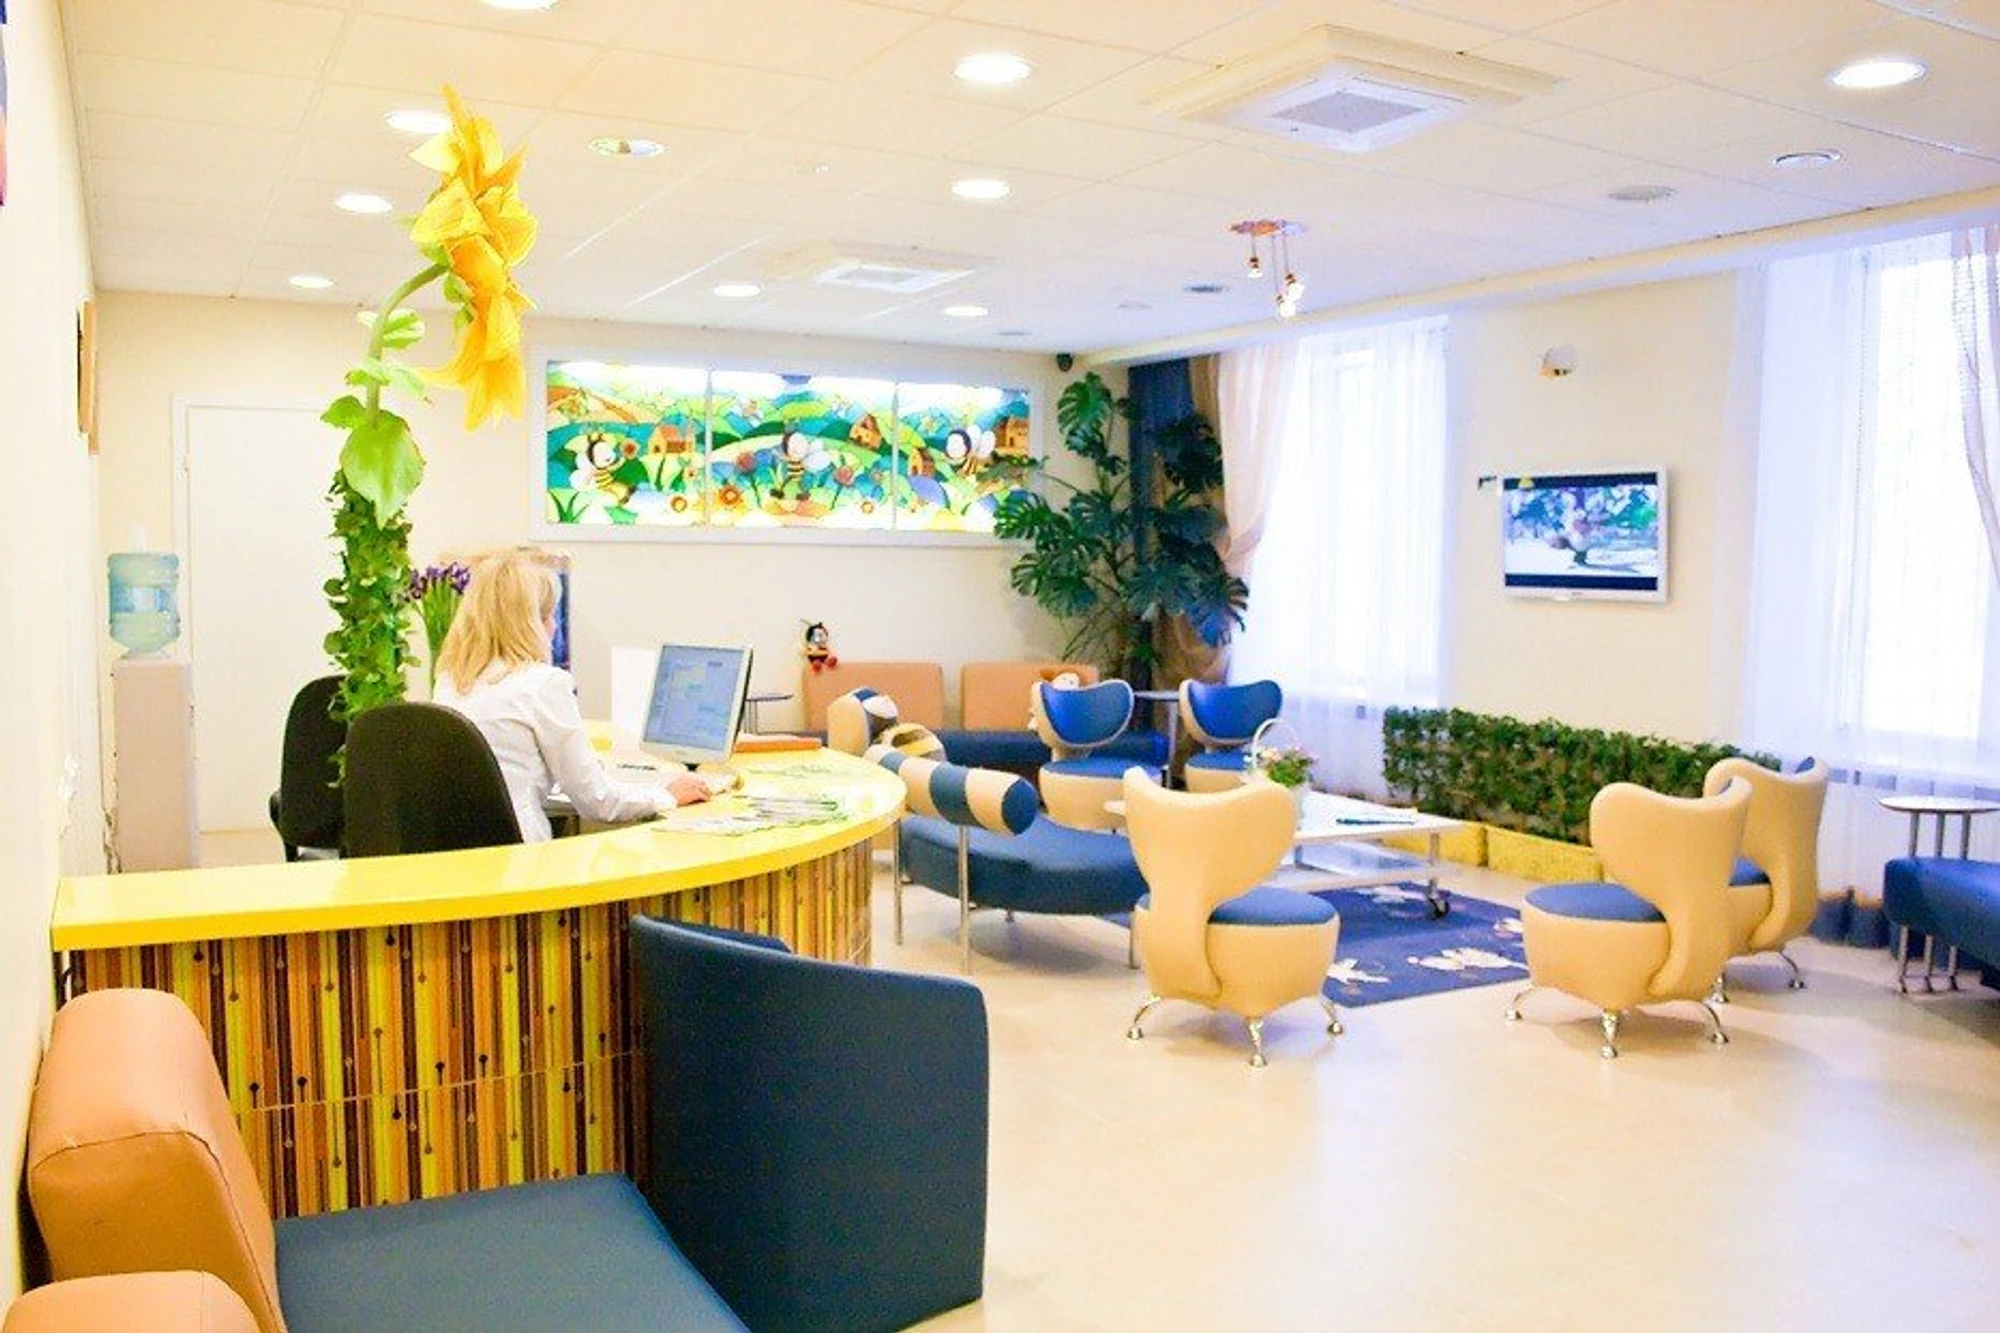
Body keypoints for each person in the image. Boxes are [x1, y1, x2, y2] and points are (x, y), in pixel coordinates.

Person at [433, 549, 709, 841]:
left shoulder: (448, 683)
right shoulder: (541, 684)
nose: (554, 626)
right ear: (526, 623)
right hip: (520, 856)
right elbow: (597, 801)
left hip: (458, 857)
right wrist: (666, 795)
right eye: (546, 615)